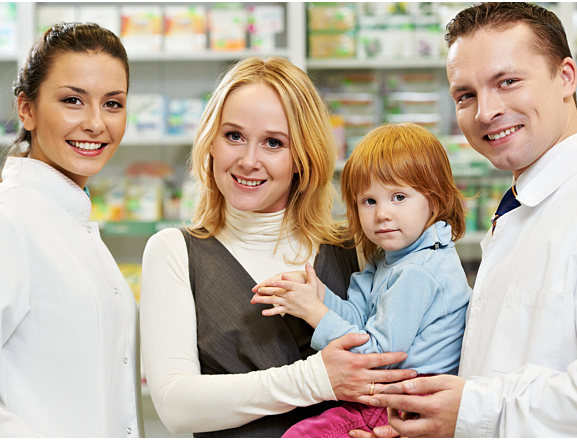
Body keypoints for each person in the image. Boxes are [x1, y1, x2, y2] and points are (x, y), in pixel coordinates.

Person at [356, 2, 577, 437]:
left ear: (566, 77)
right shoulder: (525, 208)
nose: (485, 111)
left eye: (508, 82)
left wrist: (472, 410)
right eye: (466, 95)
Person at [140, 57, 417, 437]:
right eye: (233, 136)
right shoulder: (175, 252)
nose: (248, 161)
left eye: (273, 143)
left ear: (302, 158)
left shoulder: (357, 248)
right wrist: (317, 378)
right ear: (210, 142)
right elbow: (176, 405)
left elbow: (408, 362)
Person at [0, 23, 142, 437]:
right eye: (73, 100)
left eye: (113, 104)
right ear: (26, 109)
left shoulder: (75, 224)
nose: (95, 123)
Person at [249, 123, 472, 438]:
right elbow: (360, 322)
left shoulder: (417, 272)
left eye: (398, 197)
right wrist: (319, 296)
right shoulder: (389, 260)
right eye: (369, 201)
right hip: (392, 395)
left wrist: (314, 313)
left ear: (433, 202)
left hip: (405, 403)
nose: (382, 213)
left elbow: (377, 360)